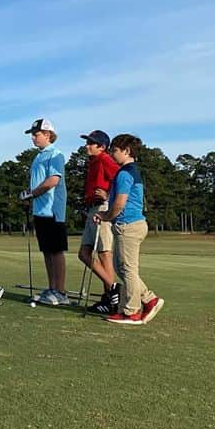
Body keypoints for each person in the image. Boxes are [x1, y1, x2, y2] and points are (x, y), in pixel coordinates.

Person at [93, 134, 164, 325]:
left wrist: (105, 216)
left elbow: (119, 203)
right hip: (131, 225)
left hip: (129, 226)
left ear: (126, 151)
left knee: (127, 269)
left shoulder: (125, 173)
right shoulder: (132, 171)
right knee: (122, 269)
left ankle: (132, 311)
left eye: (115, 150)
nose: (112, 154)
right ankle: (147, 300)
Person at [18, 118, 69, 306]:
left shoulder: (55, 154)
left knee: (56, 251)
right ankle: (52, 288)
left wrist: (31, 194)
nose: (33, 138)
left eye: (36, 134)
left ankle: (61, 292)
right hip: (40, 211)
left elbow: (52, 181)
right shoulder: (38, 155)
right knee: (47, 251)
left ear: (48, 135)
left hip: (53, 210)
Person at [78, 130, 121, 314]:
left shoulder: (104, 159)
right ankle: (112, 289)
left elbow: (121, 180)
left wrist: (108, 195)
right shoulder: (93, 161)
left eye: (91, 143)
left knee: (104, 253)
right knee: (84, 253)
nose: (87, 145)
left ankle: (110, 298)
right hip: (93, 209)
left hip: (103, 208)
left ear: (102, 147)